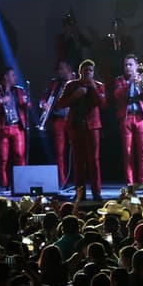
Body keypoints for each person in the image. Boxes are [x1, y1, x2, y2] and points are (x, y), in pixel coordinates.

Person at [58, 60, 107, 203]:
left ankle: (96, 192)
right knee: (78, 161)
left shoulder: (99, 86)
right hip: (76, 127)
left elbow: (102, 104)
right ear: (80, 72)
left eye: (91, 71)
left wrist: (93, 88)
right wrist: (75, 95)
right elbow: (61, 104)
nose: (89, 73)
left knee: (94, 161)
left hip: (93, 128)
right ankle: (80, 193)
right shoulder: (71, 85)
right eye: (86, 71)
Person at [113, 54, 143, 187]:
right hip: (126, 117)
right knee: (128, 151)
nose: (128, 68)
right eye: (126, 65)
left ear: (137, 66)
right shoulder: (120, 80)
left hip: (141, 117)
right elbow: (117, 95)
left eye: (130, 65)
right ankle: (130, 183)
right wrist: (129, 83)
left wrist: (141, 84)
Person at [0, 67, 30, 192]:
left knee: (19, 155)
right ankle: (4, 184)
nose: (15, 78)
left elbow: (28, 105)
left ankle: (20, 184)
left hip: (17, 127)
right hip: (3, 127)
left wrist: (25, 102)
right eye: (13, 75)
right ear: (6, 77)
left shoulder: (19, 90)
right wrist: (1, 101)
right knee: (3, 158)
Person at [38, 61, 73, 187]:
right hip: (59, 119)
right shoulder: (55, 83)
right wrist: (44, 104)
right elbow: (43, 99)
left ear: (69, 69)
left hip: (74, 120)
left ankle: (79, 181)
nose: (59, 71)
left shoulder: (77, 80)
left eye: (61, 68)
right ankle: (62, 182)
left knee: (77, 151)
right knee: (60, 152)